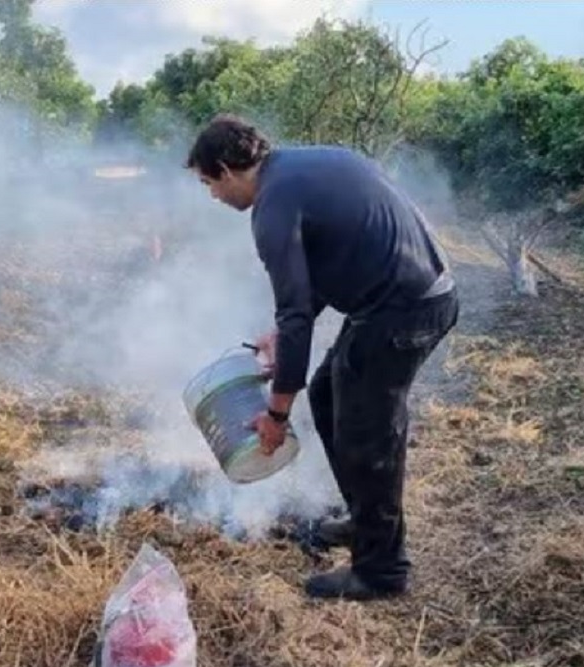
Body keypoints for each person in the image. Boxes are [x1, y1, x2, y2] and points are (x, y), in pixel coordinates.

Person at [185, 115, 458, 601]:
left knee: (369, 432)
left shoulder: (271, 207)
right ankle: (364, 520)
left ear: (228, 169)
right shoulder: (308, 164)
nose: (213, 197)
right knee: (331, 396)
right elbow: (338, 257)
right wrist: (279, 336)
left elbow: (296, 316)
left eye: (209, 184)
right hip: (401, 297)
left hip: (402, 311)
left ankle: (382, 571)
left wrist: (275, 414)